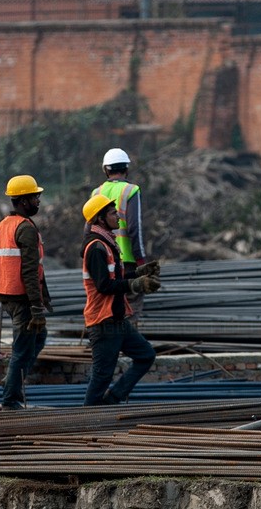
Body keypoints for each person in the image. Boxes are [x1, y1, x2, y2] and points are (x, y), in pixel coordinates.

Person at [81, 194, 161, 406]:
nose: (118, 217)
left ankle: (113, 399)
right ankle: (87, 419)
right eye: (113, 213)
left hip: (116, 318)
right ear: (100, 218)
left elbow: (116, 277)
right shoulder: (96, 248)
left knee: (145, 355)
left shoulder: (107, 244)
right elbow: (104, 285)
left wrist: (138, 272)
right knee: (101, 377)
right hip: (103, 321)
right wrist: (135, 285)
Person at [0, 175, 53, 410]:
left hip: (7, 293)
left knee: (39, 337)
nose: (38, 201)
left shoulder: (1, 227)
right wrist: (36, 306)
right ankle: (11, 398)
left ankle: (12, 381)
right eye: (35, 197)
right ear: (24, 200)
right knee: (22, 346)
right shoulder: (24, 228)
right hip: (22, 296)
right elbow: (29, 270)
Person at [91, 148, 154, 323]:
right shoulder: (131, 190)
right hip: (127, 262)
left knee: (108, 307)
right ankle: (128, 346)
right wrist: (141, 261)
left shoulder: (96, 193)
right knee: (131, 307)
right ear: (126, 169)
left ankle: (113, 345)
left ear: (106, 170)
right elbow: (135, 228)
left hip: (103, 260)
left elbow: (88, 230)